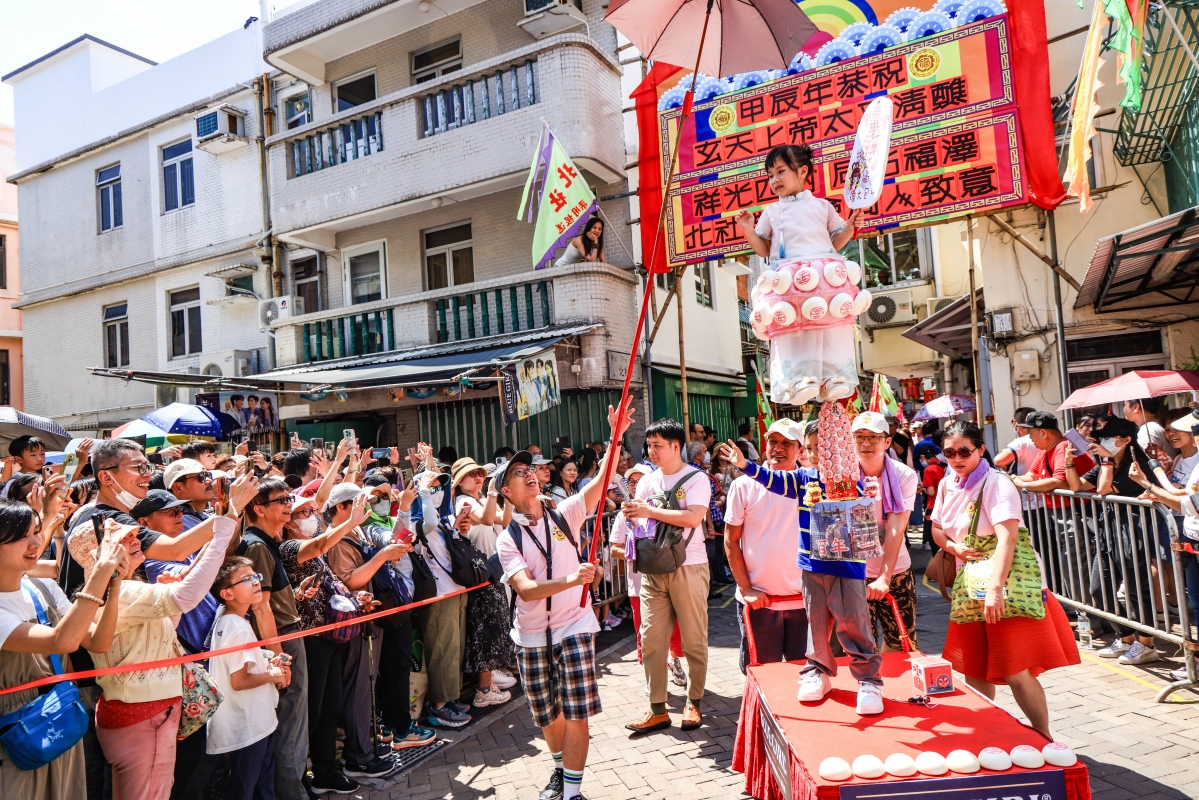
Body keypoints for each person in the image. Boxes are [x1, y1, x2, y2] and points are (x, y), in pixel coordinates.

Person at [76, 473, 251, 800]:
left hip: (144, 715)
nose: (136, 541)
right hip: (144, 718)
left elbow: (160, 632)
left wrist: (171, 601)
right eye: (125, 539)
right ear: (100, 556)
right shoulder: (122, 591)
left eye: (133, 535)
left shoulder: (122, 588)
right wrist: (225, 522)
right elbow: (187, 596)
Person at [495, 397, 633, 800]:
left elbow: (601, 482)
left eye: (531, 469)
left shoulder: (564, 513)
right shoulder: (508, 538)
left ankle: (571, 793)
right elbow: (525, 589)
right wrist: (573, 578)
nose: (530, 474)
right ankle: (561, 770)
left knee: (576, 712)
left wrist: (615, 437)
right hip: (531, 635)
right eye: (519, 473)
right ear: (506, 491)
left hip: (575, 624)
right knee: (547, 714)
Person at [723, 419, 885, 716]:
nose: (816, 454)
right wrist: (745, 465)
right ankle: (818, 671)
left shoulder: (853, 479)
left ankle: (868, 680)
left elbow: (865, 526)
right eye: (811, 448)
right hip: (811, 566)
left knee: (855, 623)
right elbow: (772, 480)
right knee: (817, 624)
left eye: (821, 447)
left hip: (847, 568)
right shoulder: (803, 479)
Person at [930, 421, 1079, 739]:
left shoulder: (996, 483)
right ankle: (988, 734)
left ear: (981, 449)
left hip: (1007, 583)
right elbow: (937, 528)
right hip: (969, 582)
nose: (956, 458)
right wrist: (953, 547)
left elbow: (1008, 538)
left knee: (1015, 668)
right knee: (975, 666)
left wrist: (995, 590)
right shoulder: (946, 484)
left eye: (964, 451)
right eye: (949, 453)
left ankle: (1043, 736)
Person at [0, 501, 128, 800]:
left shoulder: (42, 588)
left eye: (36, 532)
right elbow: (62, 641)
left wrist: (114, 585)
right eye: (21, 536)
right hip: (12, 727)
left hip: (57, 713)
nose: (35, 544)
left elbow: (97, 642)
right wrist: (99, 572)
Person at [623, 418, 712, 734]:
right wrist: (633, 518)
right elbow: (644, 525)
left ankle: (694, 701)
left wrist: (648, 512)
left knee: (693, 639)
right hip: (653, 568)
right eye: (649, 445)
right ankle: (657, 709)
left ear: (676, 446)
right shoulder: (647, 482)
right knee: (651, 640)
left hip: (689, 565)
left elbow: (693, 518)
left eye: (657, 445)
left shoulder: (697, 478)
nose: (652, 451)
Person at [237, 477, 313, 800]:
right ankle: (292, 793)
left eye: (288, 498)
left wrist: (295, 595)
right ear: (259, 508)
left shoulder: (265, 541)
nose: (288, 505)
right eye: (281, 500)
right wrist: (280, 659)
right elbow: (260, 607)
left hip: (283, 636)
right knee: (290, 722)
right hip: (280, 641)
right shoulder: (256, 545)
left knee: (292, 719)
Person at [320, 483, 402, 782]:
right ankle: (358, 757)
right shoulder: (337, 538)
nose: (366, 507)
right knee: (358, 690)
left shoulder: (356, 531)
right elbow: (350, 581)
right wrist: (382, 557)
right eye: (358, 502)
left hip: (369, 618)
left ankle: (365, 746)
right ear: (340, 507)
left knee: (367, 686)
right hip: (356, 623)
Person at [1064, 415, 1161, 665]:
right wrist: (1070, 463)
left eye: (1108, 437)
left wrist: (1106, 460)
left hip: (1133, 533)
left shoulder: (1135, 464)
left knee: (1137, 590)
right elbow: (1077, 487)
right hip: (1108, 534)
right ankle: (1126, 638)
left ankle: (1146, 644)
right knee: (1099, 590)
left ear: (1126, 440)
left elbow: (1103, 489)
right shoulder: (1105, 463)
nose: (1101, 442)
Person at [723, 419, 808, 673]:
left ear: (801, 449)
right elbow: (731, 540)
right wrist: (746, 588)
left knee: (806, 676)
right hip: (759, 601)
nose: (778, 448)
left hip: (804, 601)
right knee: (762, 675)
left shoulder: (812, 486)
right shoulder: (743, 485)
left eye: (787, 443)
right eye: (773, 441)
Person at [206, 557, 291, 800]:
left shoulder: (229, 620)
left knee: (258, 785)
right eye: (246, 579)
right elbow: (239, 681)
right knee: (248, 788)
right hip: (249, 726)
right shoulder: (236, 626)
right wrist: (272, 674)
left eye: (256, 576)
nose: (255, 582)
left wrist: (267, 663)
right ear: (227, 593)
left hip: (253, 723)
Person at [850, 412, 920, 654]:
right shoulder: (842, 476)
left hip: (895, 570)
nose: (866, 443)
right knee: (860, 644)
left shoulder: (904, 475)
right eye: (860, 437)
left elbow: (896, 527)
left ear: (887, 441)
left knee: (901, 642)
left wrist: (884, 578)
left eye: (874, 437)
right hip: (854, 573)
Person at [451, 459, 518, 707]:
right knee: (485, 632)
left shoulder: (478, 499)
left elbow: (504, 519)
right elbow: (489, 520)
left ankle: (491, 677)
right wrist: (491, 491)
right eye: (472, 474)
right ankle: (484, 690)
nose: (478, 477)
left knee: (495, 627)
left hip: (491, 570)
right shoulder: (463, 501)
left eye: (480, 473)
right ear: (459, 482)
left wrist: (507, 498)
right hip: (480, 575)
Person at [994, 408, 1039, 475]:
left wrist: (1004, 465)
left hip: (1023, 480)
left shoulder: (1021, 442)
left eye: (1012, 422)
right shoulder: (1044, 439)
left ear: (1018, 426)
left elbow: (998, 461)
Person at [918, 446, 946, 552]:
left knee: (934, 542)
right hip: (946, 504)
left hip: (933, 507)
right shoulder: (944, 465)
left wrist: (923, 489)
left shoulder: (929, 469)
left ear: (923, 457)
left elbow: (931, 492)